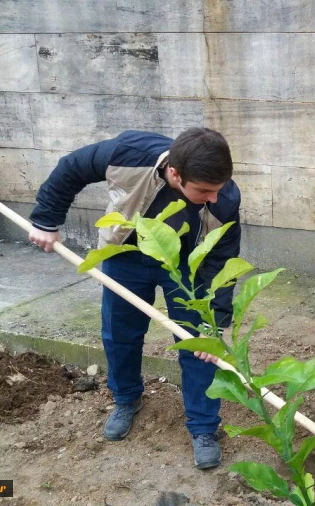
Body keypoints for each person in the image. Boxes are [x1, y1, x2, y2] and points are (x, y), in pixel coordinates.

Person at [28, 128, 240, 468]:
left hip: (186, 267)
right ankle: (126, 399)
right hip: (125, 252)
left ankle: (203, 427)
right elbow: (72, 168)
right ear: (175, 173)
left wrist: (213, 322)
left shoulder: (225, 197)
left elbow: (221, 260)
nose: (214, 198)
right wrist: (45, 219)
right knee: (120, 334)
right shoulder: (129, 153)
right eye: (204, 191)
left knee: (200, 347)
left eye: (218, 190)